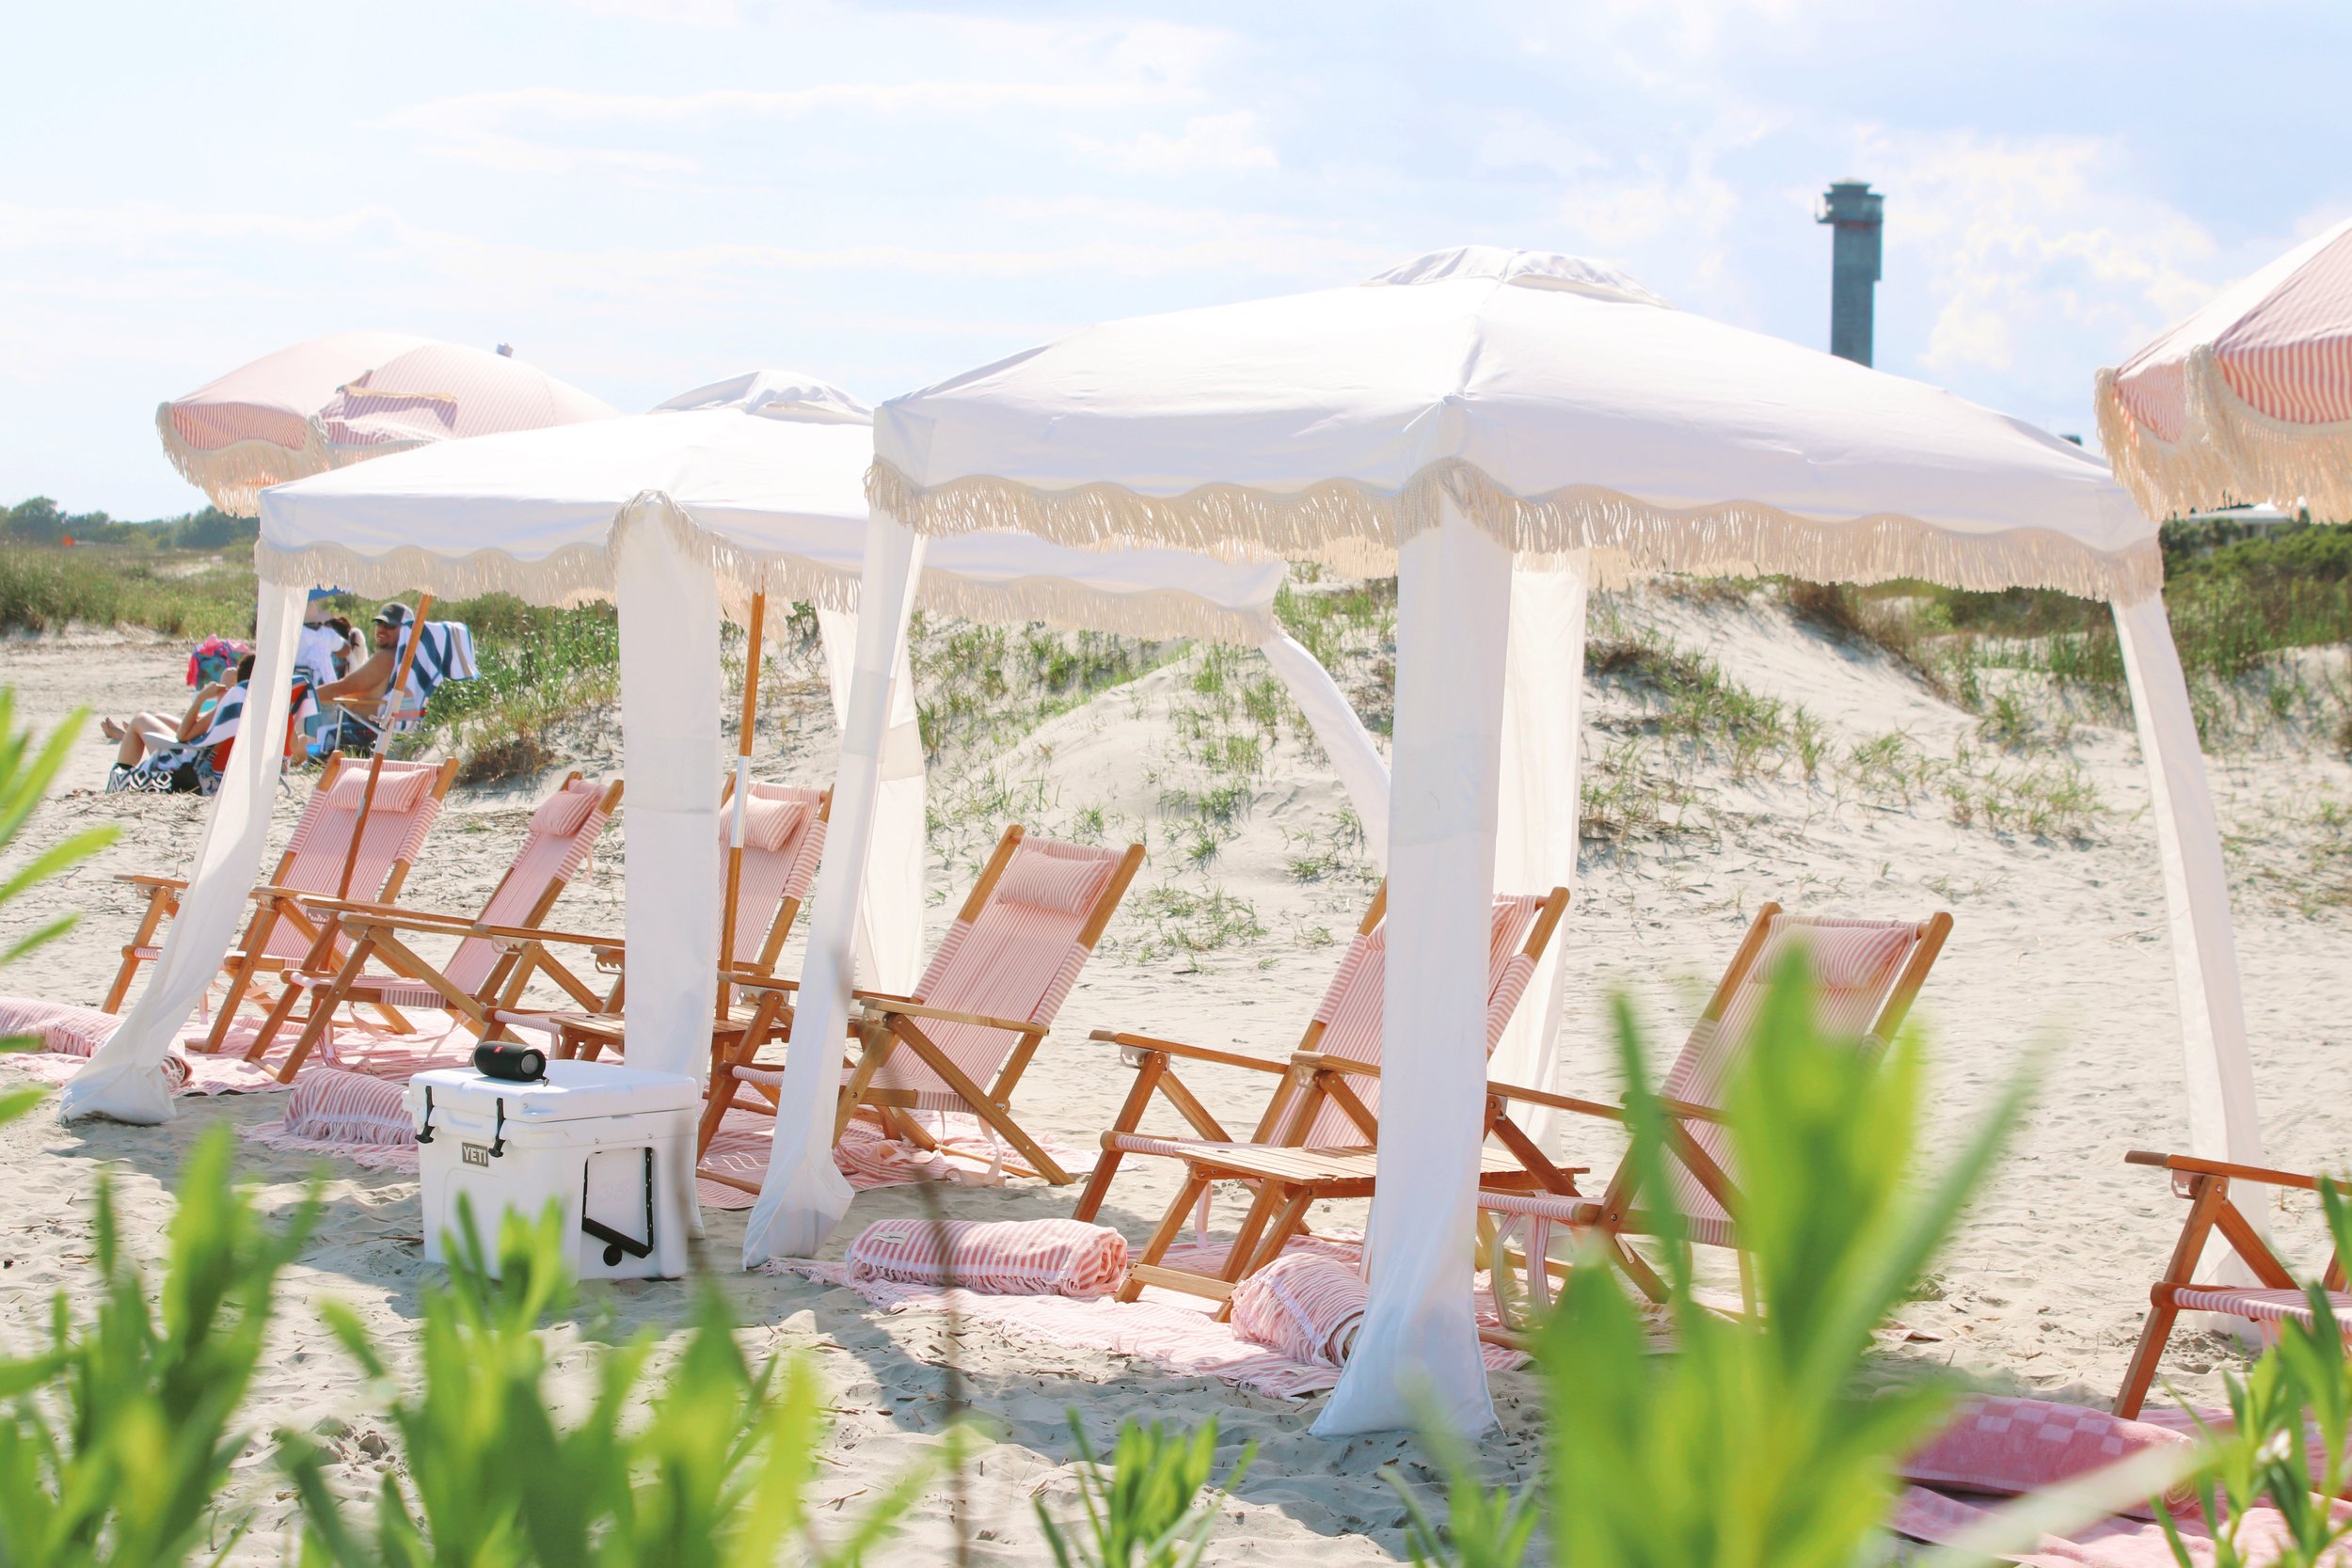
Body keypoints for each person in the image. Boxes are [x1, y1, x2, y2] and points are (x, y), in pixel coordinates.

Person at [102, 654, 253, 793]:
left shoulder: (236, 702)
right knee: (159, 717)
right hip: (217, 767)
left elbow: (182, 736)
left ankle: (118, 782)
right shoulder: (255, 706)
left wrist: (201, 698)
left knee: (139, 719)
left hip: (195, 771)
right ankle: (127, 737)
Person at [312, 602, 411, 756]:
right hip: (377, 730)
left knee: (308, 743)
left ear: (406, 630)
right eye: (380, 623)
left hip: (365, 733)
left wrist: (303, 695)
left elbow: (344, 687)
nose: (382, 629)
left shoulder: (387, 657)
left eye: (390, 626)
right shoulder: (407, 658)